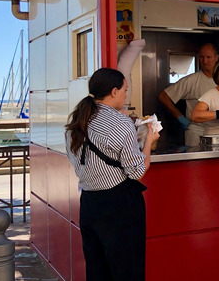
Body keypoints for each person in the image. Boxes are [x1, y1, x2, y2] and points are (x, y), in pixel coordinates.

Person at [64, 68, 160, 281]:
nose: (127, 95)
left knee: (97, 270)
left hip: (89, 203)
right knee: (127, 270)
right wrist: (148, 142)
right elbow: (137, 172)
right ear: (114, 91)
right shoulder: (121, 123)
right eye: (125, 90)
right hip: (119, 206)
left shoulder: (74, 123)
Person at [158, 43, 219, 147]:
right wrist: (180, 117)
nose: (204, 61)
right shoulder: (191, 80)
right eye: (202, 57)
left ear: (216, 58)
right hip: (197, 132)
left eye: (208, 57)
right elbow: (163, 96)